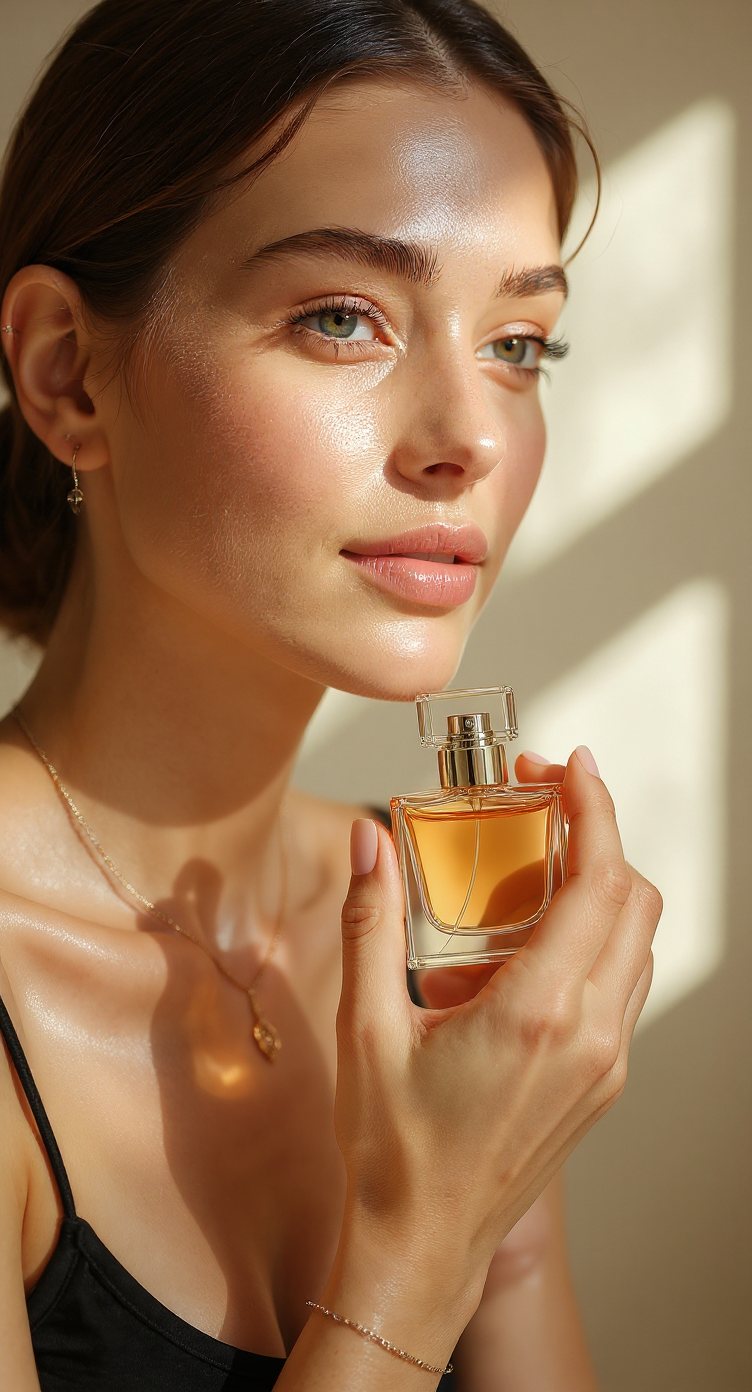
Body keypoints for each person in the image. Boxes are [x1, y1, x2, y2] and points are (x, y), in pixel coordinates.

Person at [0, 2, 661, 1388]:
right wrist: (423, 1253)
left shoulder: (437, 929)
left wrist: (509, 1213)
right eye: (344, 317)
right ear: (67, 374)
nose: (470, 439)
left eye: (519, 344)